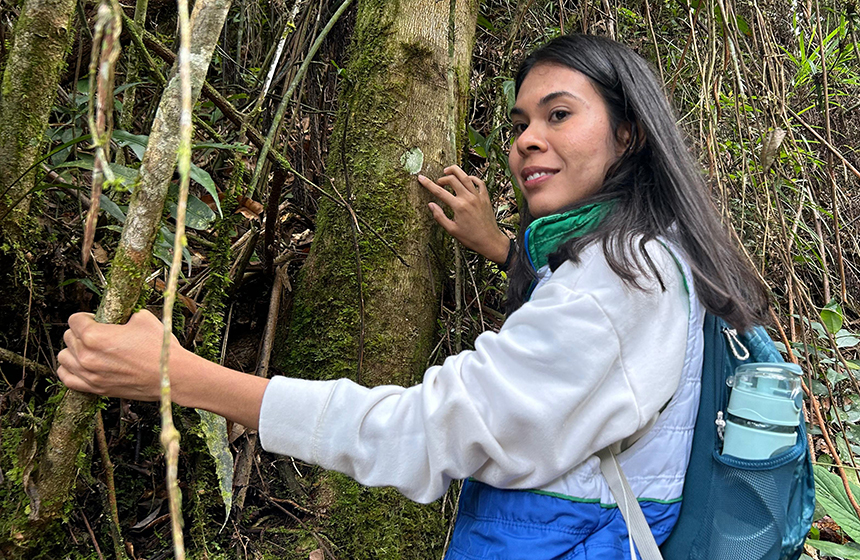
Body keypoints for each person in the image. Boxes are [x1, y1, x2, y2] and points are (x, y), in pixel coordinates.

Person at [58, 34, 770, 558]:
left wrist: (184, 377)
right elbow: (585, 346)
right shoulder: (664, 246)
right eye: (521, 122)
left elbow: (428, 432)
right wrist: (499, 245)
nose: (527, 140)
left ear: (630, 132)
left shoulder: (619, 278)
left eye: (558, 115)